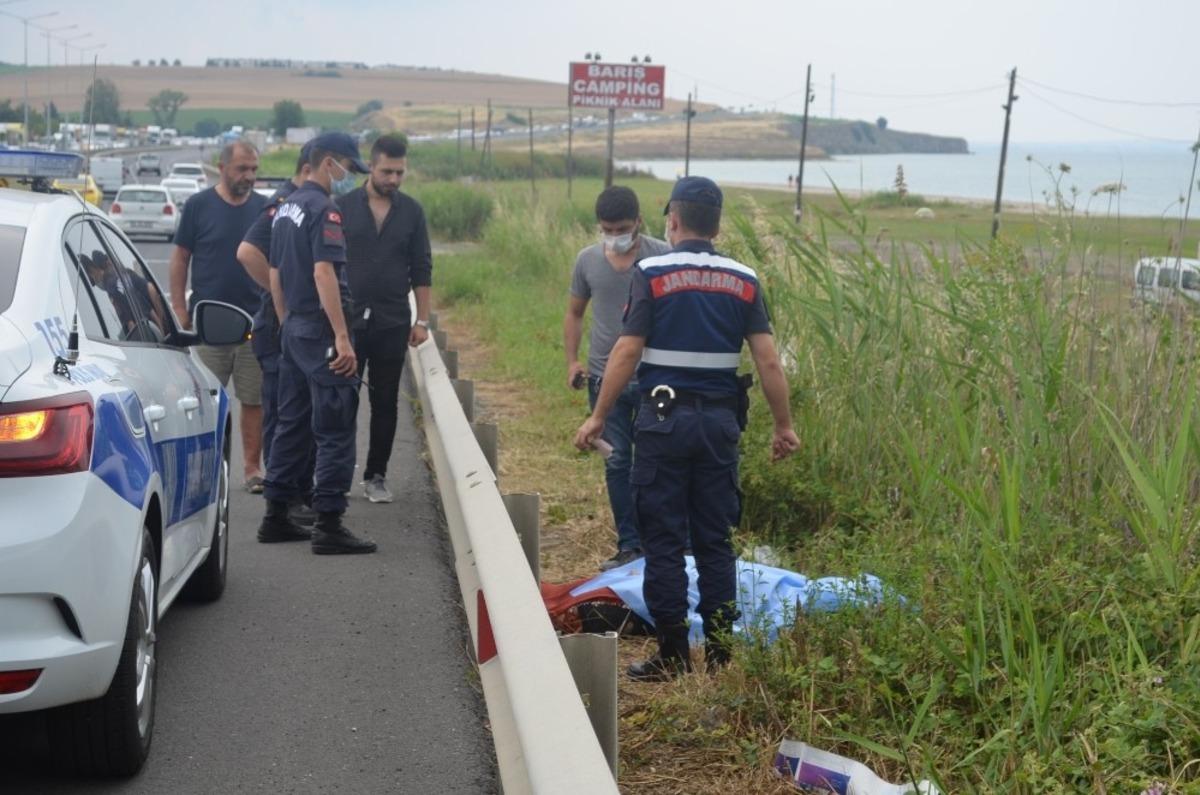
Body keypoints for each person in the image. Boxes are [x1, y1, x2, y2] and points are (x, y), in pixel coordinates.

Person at [574, 176, 801, 680]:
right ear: (717, 225)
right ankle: (720, 656)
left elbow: (627, 350)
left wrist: (597, 415)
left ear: (671, 221)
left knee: (662, 539)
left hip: (662, 421)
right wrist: (783, 425)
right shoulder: (745, 278)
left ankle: (673, 654)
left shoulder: (650, 272)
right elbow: (767, 360)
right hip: (720, 424)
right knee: (715, 539)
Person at [258, 132, 377, 554]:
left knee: (291, 423)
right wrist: (342, 337)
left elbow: (275, 273)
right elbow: (324, 273)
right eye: (347, 166)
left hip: (293, 330)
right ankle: (329, 523)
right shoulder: (324, 210)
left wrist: (288, 321)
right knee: (336, 427)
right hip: (319, 331)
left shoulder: (286, 206)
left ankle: (276, 514)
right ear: (328, 163)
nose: (348, 176)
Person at [564, 186, 671, 570]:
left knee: (656, 459)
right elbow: (575, 313)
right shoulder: (587, 261)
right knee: (616, 460)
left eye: (622, 228)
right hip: (602, 380)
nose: (615, 236)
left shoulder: (662, 257)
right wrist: (572, 361)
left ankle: (660, 540)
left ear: (639, 222)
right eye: (608, 229)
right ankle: (629, 545)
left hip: (654, 379)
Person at [336, 133, 432, 503]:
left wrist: (421, 320)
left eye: (400, 173)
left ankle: (376, 475)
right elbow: (326, 266)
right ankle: (338, 473)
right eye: (387, 171)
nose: (394, 179)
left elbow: (422, 267)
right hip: (348, 322)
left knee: (385, 400)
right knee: (342, 400)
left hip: (392, 321)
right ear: (371, 166)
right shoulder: (342, 207)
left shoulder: (411, 212)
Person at [170, 141, 269, 491]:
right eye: (243, 168)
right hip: (209, 327)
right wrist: (180, 311)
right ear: (222, 167)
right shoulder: (199, 205)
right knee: (206, 403)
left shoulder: (264, 209)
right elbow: (181, 258)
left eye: (254, 169)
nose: (249, 176)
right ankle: (204, 472)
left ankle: (252, 470)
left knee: (254, 400)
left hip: (254, 325)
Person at [237, 142, 317, 528]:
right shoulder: (285, 202)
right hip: (276, 325)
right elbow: (247, 252)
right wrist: (279, 293)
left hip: (283, 322)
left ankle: (291, 494)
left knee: (293, 411)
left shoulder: (296, 202)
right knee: (285, 412)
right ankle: (282, 498)